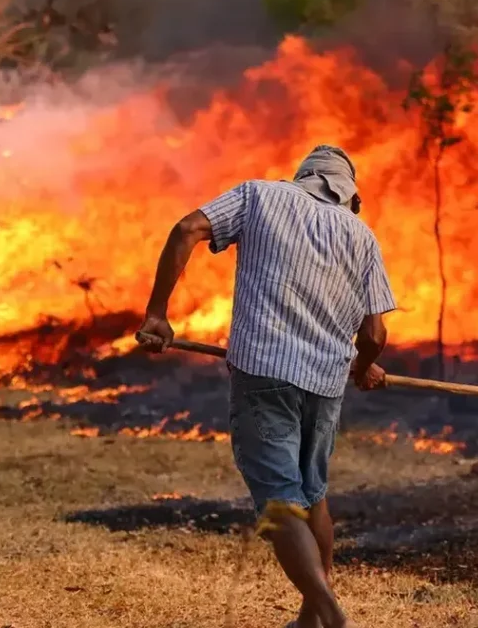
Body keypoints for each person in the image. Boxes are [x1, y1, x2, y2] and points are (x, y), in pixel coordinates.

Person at [135, 144, 396, 628]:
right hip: (324, 384)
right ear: (349, 195)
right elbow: (375, 336)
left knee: (279, 500)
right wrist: (362, 366)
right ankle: (310, 620)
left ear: (302, 178)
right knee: (312, 495)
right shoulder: (361, 236)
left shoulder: (259, 197)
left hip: (265, 374)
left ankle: (329, 613)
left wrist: (157, 314)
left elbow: (187, 228)